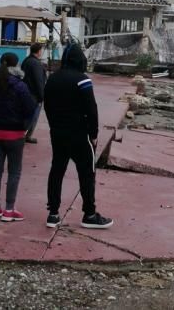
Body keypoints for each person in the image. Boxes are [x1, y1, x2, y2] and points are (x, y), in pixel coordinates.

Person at [44, 44, 113, 230]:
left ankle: (53, 214)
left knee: (57, 171)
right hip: (79, 134)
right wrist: (94, 134)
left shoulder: (52, 79)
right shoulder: (83, 80)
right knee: (86, 174)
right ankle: (89, 214)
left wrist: (54, 126)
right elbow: (91, 108)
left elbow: (47, 105)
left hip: (57, 134)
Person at [0, 53, 36, 222]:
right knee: (14, 171)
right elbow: (30, 109)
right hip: (15, 134)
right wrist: (25, 127)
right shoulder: (20, 86)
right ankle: (9, 209)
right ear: (16, 65)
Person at [21, 42, 46, 144]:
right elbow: (38, 81)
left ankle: (25, 135)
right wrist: (41, 96)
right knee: (32, 117)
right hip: (34, 94)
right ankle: (25, 135)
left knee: (26, 115)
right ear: (39, 51)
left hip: (26, 91)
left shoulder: (26, 61)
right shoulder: (36, 63)